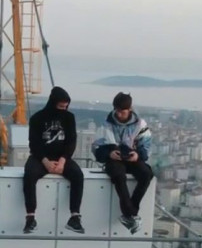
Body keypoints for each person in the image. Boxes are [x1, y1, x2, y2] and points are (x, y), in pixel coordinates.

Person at [23, 86, 84, 234]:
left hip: (62, 157)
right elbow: (34, 144)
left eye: (66, 106)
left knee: (78, 175)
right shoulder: (37, 118)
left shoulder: (69, 118)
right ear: (53, 103)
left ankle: (74, 216)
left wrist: (63, 161)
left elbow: (71, 141)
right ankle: (30, 217)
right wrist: (45, 162)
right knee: (29, 174)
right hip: (41, 158)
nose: (64, 109)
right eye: (61, 106)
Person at [93, 92, 154, 234]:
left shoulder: (140, 125)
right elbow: (96, 148)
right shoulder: (106, 124)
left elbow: (147, 146)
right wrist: (109, 153)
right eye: (117, 111)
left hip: (132, 158)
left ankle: (130, 214)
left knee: (146, 174)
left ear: (130, 110)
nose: (119, 114)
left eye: (123, 111)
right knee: (118, 175)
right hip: (113, 158)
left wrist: (137, 155)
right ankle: (131, 214)